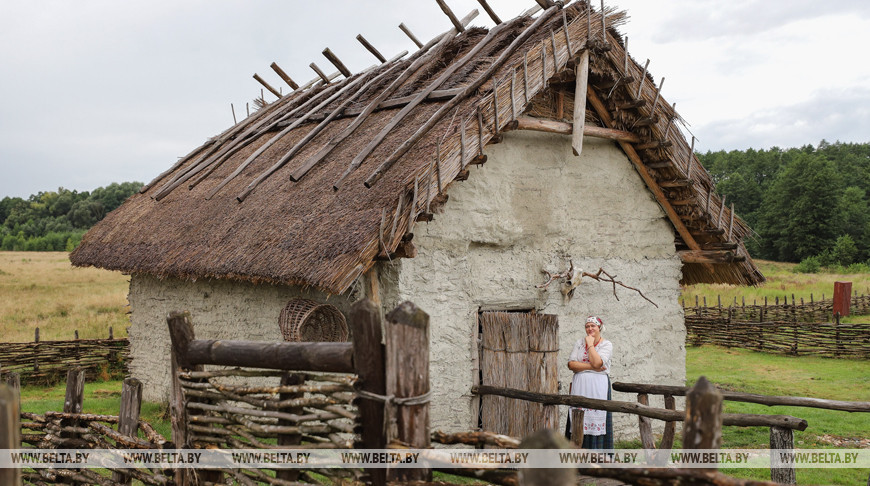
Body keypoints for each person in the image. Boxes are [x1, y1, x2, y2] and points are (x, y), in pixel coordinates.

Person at [565, 315, 613, 449]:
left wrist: (590, 344)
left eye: (593, 326)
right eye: (587, 326)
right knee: (578, 417)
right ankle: (575, 453)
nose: (590, 328)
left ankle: (597, 454)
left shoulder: (606, 344)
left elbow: (598, 362)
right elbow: (571, 364)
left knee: (596, 416)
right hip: (579, 386)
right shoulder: (579, 343)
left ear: (599, 328)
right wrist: (592, 368)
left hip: (598, 387)